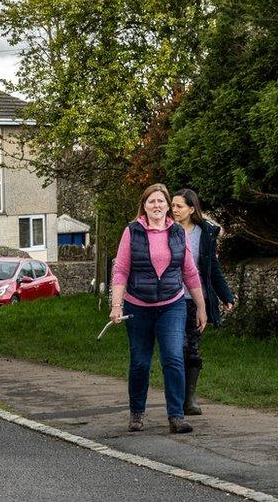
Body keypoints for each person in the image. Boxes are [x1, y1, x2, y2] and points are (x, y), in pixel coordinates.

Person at [110, 184, 206, 434]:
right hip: (138, 307)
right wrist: (116, 305)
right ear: (144, 206)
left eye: (161, 201)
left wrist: (201, 306)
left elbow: (189, 272)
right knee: (140, 362)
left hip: (172, 305)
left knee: (173, 358)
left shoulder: (177, 233)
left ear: (167, 206)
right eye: (151, 201)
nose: (157, 206)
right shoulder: (132, 232)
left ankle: (176, 416)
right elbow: (121, 270)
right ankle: (137, 414)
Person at [171, 188, 234, 415]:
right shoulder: (167, 231)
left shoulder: (205, 233)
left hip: (197, 300)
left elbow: (211, 269)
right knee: (177, 348)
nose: (174, 210)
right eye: (173, 205)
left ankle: (190, 398)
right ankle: (176, 398)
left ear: (191, 209)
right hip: (172, 299)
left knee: (193, 349)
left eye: (179, 206)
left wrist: (225, 295)